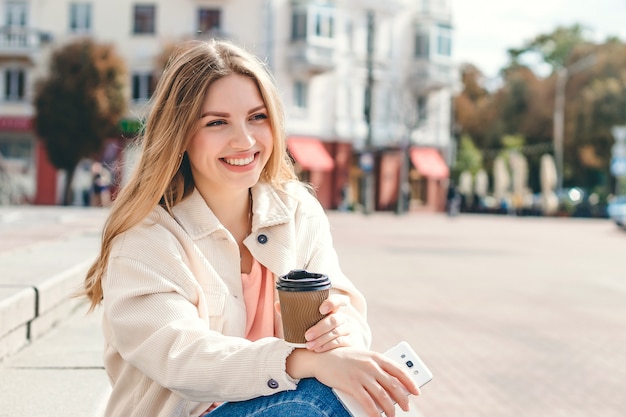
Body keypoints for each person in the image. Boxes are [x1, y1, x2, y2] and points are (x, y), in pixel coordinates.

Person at [81, 38, 420, 417]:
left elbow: (346, 312)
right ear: (180, 137)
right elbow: (182, 355)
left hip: (285, 405)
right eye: (216, 122)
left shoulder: (297, 211)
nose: (244, 140)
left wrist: (339, 331)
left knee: (383, 400)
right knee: (317, 403)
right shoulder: (146, 238)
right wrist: (301, 361)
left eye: (257, 117)